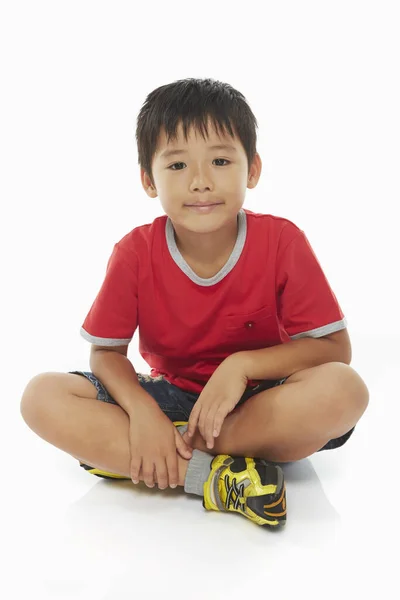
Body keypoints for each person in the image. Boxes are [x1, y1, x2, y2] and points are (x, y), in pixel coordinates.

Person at [20, 77, 369, 529]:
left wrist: (241, 365)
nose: (201, 182)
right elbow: (105, 354)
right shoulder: (134, 252)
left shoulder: (282, 241)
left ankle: (143, 456)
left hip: (260, 404)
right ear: (149, 179)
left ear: (253, 169)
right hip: (171, 397)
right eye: (178, 165)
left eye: (221, 161)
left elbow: (334, 351)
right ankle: (211, 474)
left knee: (345, 390)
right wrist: (144, 413)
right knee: (41, 397)